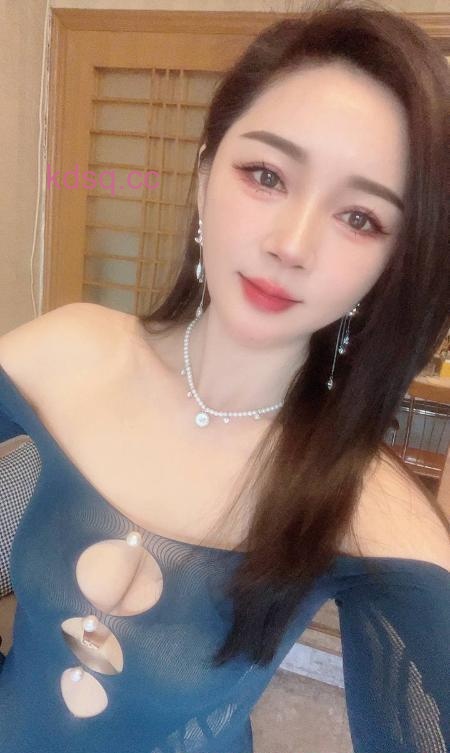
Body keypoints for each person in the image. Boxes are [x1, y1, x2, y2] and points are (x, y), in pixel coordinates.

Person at [0, 1, 449, 751]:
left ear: (391, 262)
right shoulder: (71, 350)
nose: (291, 244)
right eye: (266, 175)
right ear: (206, 172)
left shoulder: (366, 507)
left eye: (360, 218)